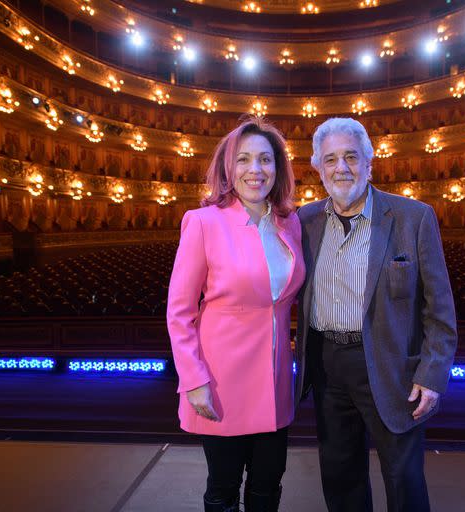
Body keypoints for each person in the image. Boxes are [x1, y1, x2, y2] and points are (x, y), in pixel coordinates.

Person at [295, 117, 457, 512]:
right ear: (317, 167)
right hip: (328, 363)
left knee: (403, 479)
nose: (341, 168)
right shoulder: (304, 220)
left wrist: (432, 374)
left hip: (391, 366)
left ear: (370, 162)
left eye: (351, 156)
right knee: (340, 475)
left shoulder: (413, 218)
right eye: (330, 159)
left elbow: (439, 307)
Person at [167, 117, 305, 512]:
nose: (255, 170)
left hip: (275, 380)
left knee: (268, 485)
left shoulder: (289, 222)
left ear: (277, 168)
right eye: (243, 159)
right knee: (224, 487)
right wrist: (193, 379)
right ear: (228, 167)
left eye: (265, 159)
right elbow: (179, 312)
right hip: (221, 380)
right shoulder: (203, 222)